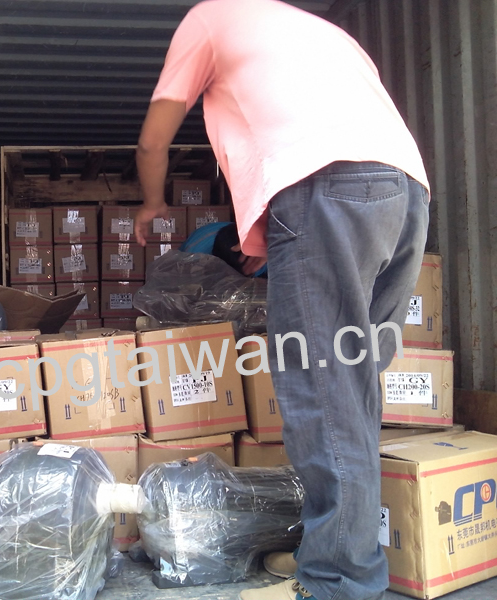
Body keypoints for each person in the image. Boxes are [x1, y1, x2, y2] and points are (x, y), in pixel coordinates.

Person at [133, 1, 430, 600]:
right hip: (405, 192)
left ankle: (339, 582)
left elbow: (153, 139)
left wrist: (152, 202)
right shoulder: (326, 34)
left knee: (323, 392)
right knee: (351, 387)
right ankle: (340, 554)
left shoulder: (209, 18)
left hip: (325, 185)